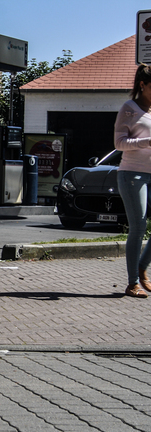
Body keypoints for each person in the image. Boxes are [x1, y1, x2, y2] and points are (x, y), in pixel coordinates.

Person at [115, 63, 151, 298]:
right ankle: (132, 283)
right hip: (132, 174)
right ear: (143, 84)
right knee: (138, 227)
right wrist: (146, 141)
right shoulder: (129, 108)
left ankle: (141, 267)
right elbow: (119, 144)